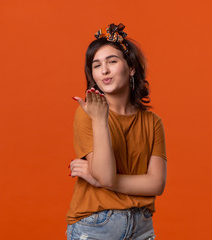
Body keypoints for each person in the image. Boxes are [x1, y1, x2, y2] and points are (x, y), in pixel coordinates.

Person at [67, 23, 167, 240]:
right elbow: (105, 174)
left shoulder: (152, 122)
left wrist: (103, 181)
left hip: (141, 226)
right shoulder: (87, 114)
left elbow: (157, 184)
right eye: (96, 65)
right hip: (97, 225)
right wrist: (100, 120)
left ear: (131, 68)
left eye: (112, 61)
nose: (104, 70)